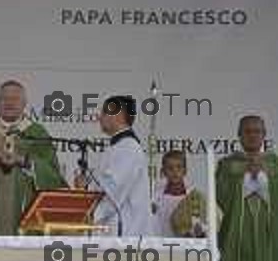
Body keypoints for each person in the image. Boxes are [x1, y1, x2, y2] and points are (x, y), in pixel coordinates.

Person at [0, 80, 66, 235]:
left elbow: (52, 174)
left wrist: (23, 160)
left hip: (25, 208)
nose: (9, 103)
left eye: (15, 99)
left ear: (24, 103)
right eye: (4, 98)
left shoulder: (37, 133)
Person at [217, 115, 278, 261]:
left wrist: (263, 179)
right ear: (239, 134)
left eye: (257, 131)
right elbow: (220, 194)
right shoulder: (226, 165)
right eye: (247, 131)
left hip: (273, 234)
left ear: (264, 134)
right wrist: (246, 177)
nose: (252, 135)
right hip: (239, 235)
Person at [83, 95, 150, 235]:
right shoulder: (117, 147)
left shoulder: (128, 148)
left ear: (118, 114)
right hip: (112, 234)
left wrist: (87, 215)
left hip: (125, 235)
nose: (99, 117)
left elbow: (113, 192)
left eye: (104, 112)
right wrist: (85, 186)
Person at [152, 150, 207, 238]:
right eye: (170, 168)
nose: (175, 171)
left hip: (185, 245)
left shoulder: (193, 196)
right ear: (163, 171)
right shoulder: (156, 197)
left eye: (179, 167)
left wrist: (200, 228)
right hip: (162, 243)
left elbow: (203, 220)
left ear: (185, 170)